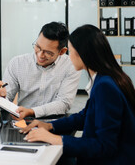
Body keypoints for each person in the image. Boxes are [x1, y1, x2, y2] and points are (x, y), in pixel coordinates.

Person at [21, 24, 135, 164]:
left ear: (82, 54)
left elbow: (104, 146)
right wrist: (50, 126)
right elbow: (85, 116)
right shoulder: (106, 78)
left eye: (71, 51)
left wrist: (56, 139)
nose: (69, 56)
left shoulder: (105, 86)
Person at [0, 22, 81, 119]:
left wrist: (31, 111)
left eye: (48, 52)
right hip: (22, 121)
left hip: (54, 122)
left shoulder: (71, 65)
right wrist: (1, 96)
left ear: (62, 52)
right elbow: (7, 99)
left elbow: (64, 103)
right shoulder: (17, 63)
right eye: (38, 47)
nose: (40, 55)